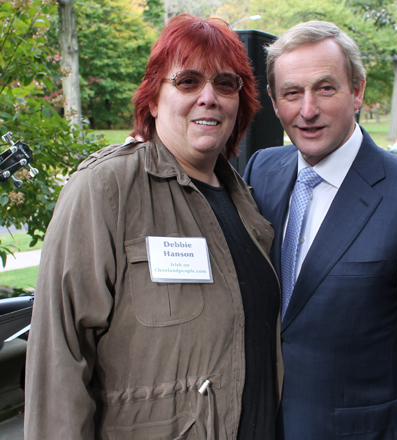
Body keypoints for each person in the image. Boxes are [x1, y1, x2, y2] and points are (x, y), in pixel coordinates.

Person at [25, 14, 281, 440]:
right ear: (154, 98)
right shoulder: (106, 189)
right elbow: (59, 358)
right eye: (187, 82)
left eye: (225, 83)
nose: (209, 97)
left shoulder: (246, 200)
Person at [244, 21, 397, 440]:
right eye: (292, 93)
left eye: (326, 88)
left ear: (358, 92)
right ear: (275, 104)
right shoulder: (262, 170)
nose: (307, 109)